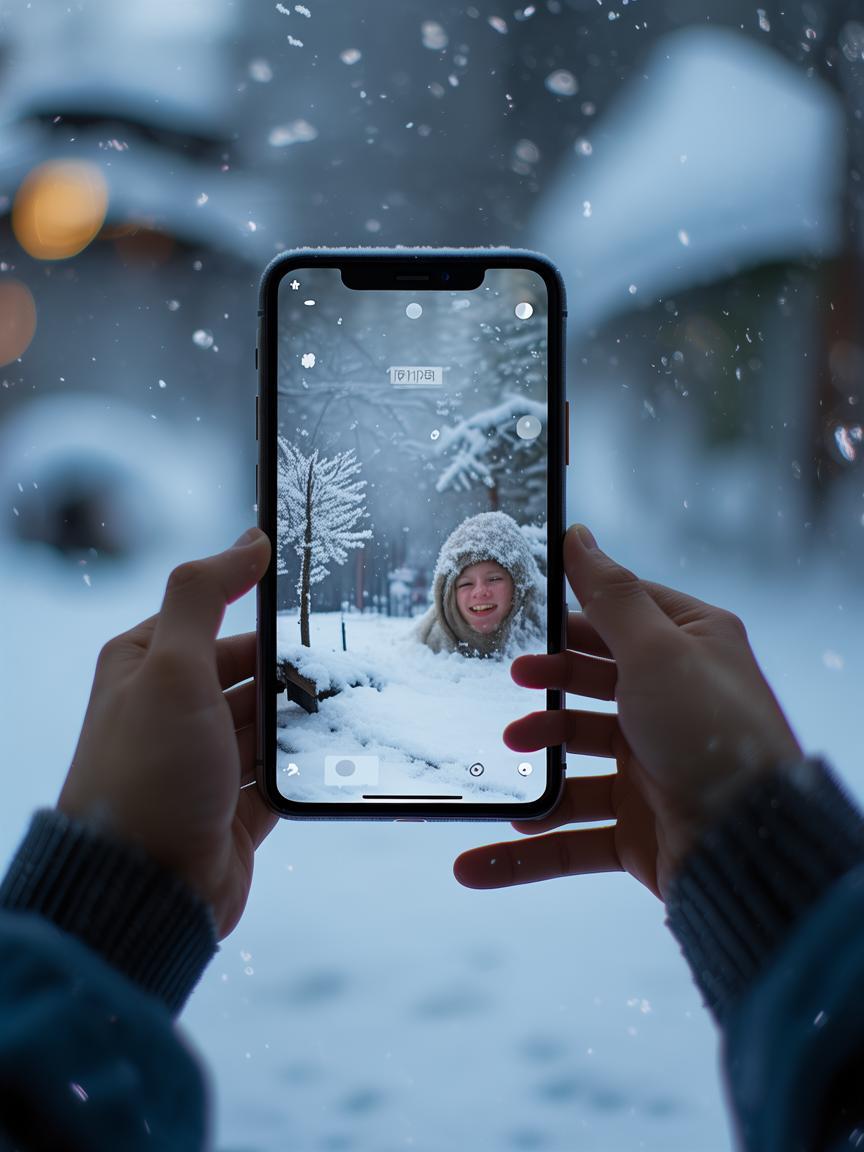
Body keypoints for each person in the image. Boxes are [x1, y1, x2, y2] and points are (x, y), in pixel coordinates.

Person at [0, 523, 862, 1149]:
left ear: (521, 586)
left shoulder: (542, 671)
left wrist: (109, 907)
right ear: (449, 593)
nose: (481, 594)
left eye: (496, 579)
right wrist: (761, 853)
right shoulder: (409, 664)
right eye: (466, 581)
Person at [413, 510, 545, 657]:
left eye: (494, 579)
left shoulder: (553, 640)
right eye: (466, 584)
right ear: (448, 597)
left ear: (521, 586)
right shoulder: (419, 654)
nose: (480, 591)